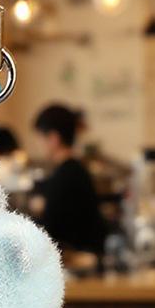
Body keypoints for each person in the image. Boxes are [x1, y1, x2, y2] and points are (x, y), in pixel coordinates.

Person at [33, 105, 107, 254]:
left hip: (77, 256)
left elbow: (50, 230)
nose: (38, 144)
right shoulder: (74, 169)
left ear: (54, 138)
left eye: (40, 137)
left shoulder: (65, 175)